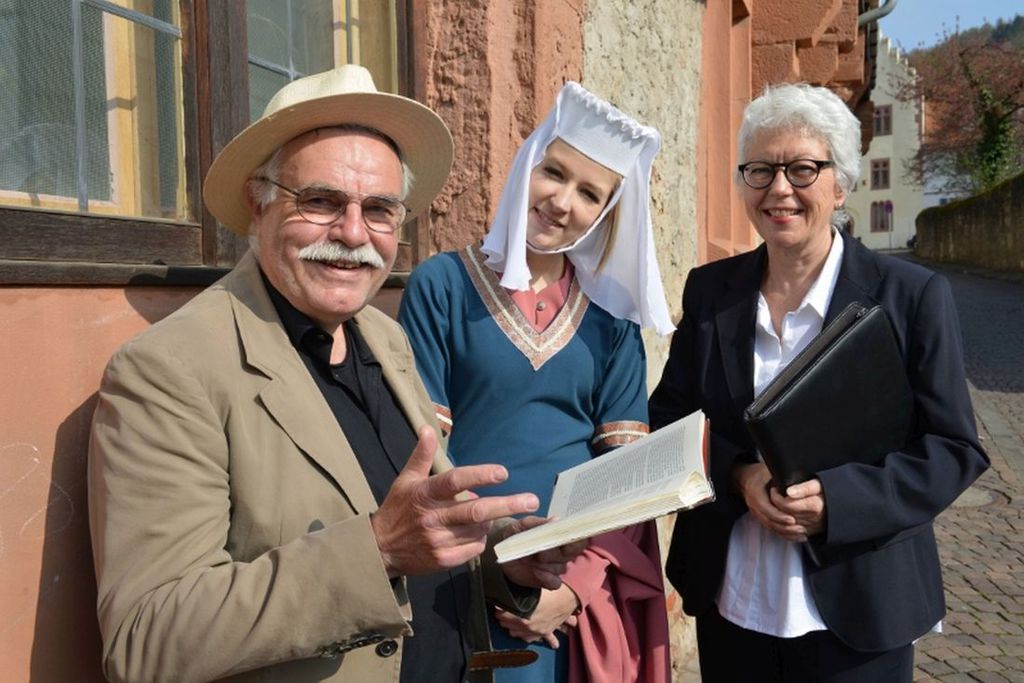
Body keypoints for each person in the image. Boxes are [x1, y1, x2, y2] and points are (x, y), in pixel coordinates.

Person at [87, 65, 585, 683]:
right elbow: (148, 640)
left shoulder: (384, 336)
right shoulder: (167, 371)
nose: (353, 234)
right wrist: (377, 550)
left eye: (379, 210)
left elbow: (419, 532)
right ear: (259, 203)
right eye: (321, 202)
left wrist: (499, 560)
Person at [649, 83, 990, 682]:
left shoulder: (910, 296)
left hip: (861, 607)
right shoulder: (710, 291)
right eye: (760, 170)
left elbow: (953, 448)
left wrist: (839, 501)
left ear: (841, 184)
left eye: (803, 169)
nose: (779, 189)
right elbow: (669, 418)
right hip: (733, 599)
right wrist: (739, 475)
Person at [398, 81, 674, 683]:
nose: (562, 201)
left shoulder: (612, 322)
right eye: (555, 172)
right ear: (528, 165)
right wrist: (498, 561)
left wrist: (572, 589)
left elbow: (624, 476)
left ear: (605, 215)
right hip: (460, 574)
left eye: (589, 194)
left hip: (570, 591)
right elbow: (424, 452)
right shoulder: (441, 286)